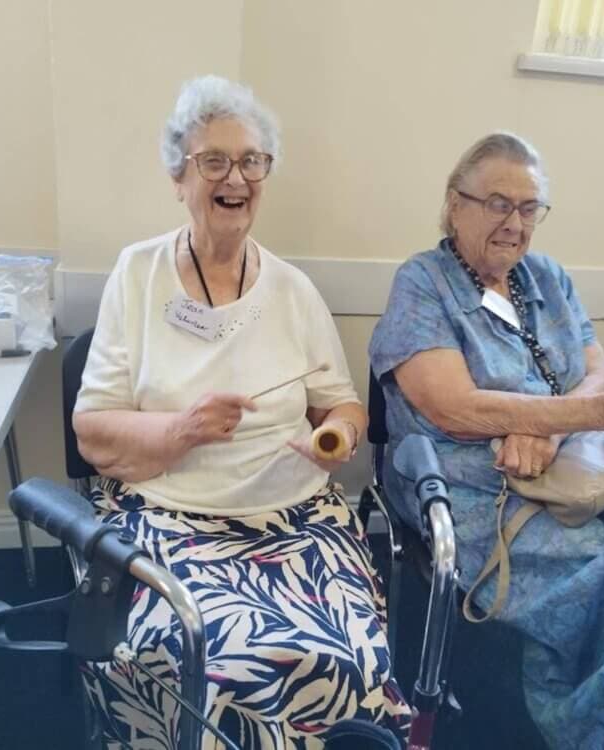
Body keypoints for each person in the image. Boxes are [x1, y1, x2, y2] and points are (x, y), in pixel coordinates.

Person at [369, 132, 604, 750]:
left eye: (528, 208)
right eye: (496, 203)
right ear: (455, 203)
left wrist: (552, 425)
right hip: (473, 484)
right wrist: (575, 414)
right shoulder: (424, 283)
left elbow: (594, 369)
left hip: (577, 467)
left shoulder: (546, 276)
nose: (514, 224)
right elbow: (452, 407)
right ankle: (599, 729)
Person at [72, 76, 410, 749]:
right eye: (215, 161)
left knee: (353, 661)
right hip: (168, 518)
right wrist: (182, 430)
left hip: (297, 521)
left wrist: (334, 436)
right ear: (179, 176)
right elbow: (92, 430)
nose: (238, 178)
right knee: (208, 665)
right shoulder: (137, 275)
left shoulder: (293, 290)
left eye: (252, 161)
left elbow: (342, 404)